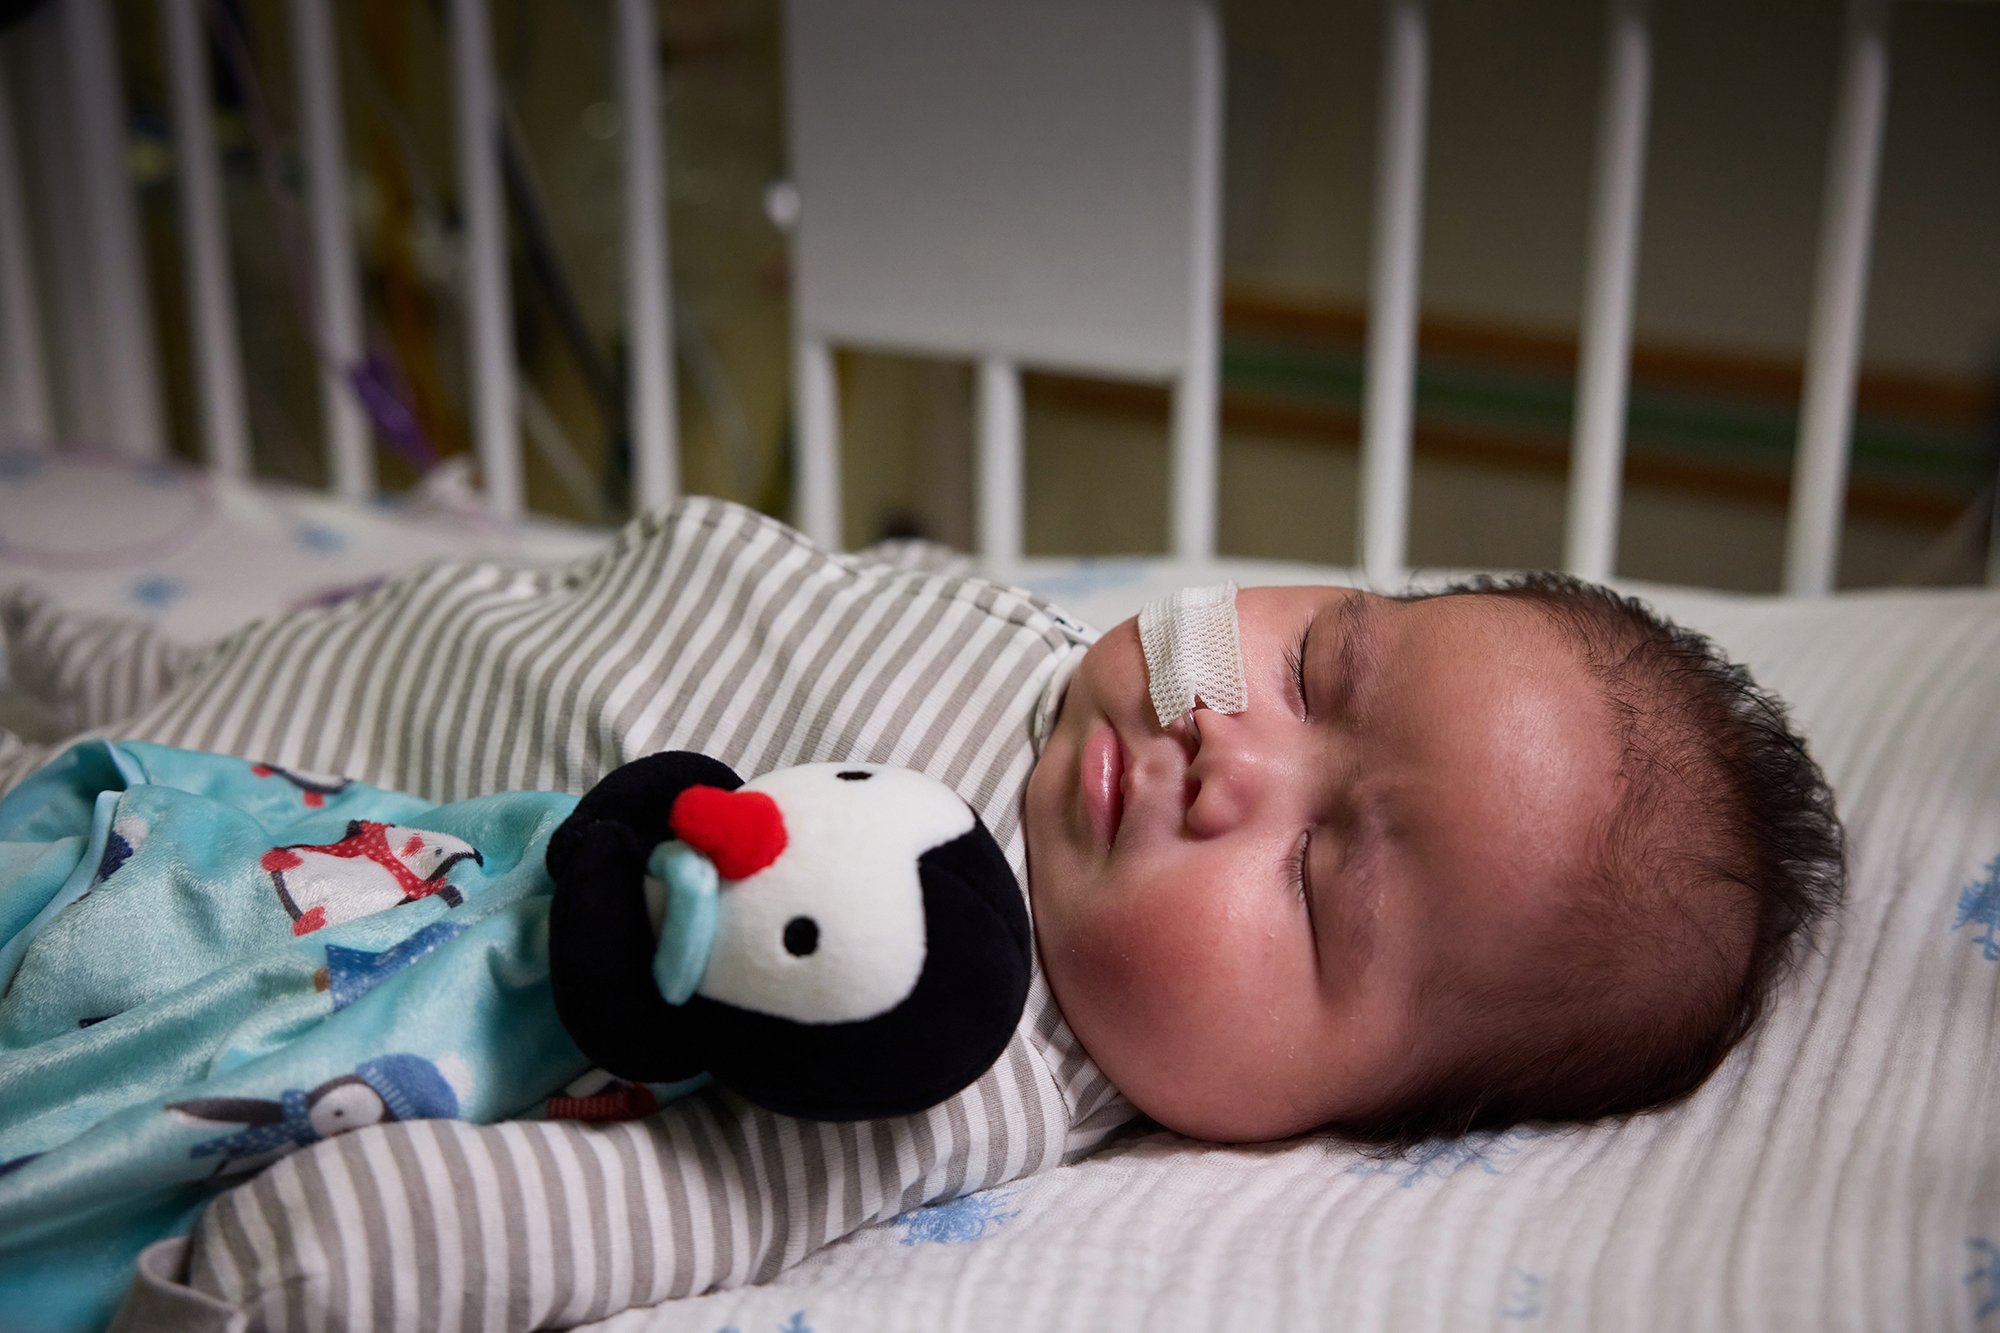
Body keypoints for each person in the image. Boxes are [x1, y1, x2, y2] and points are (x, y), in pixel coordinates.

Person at [0, 499, 1842, 1330]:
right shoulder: (1060, 660)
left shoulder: (968, 1035)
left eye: (1315, 882)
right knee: (117, 662)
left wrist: (300, 1269)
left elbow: (643, 1200)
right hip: (375, 638)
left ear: (1327, 1111)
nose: (1233, 752)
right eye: (1321, 659)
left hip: (241, 834)